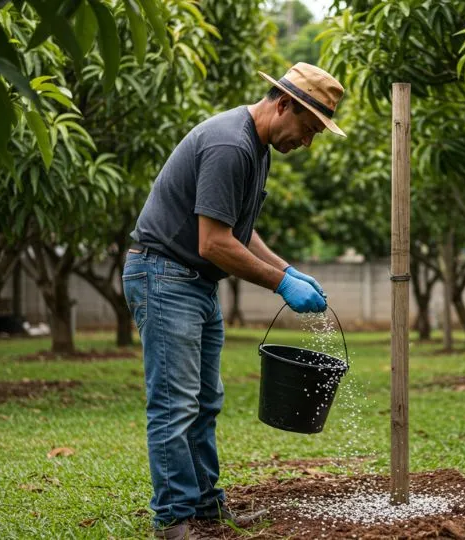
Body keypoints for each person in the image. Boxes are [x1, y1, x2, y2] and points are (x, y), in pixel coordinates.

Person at [121, 62, 346, 540]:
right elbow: (214, 243)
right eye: (307, 130)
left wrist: (286, 268)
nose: (306, 143)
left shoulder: (254, 147)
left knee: (205, 402)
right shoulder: (230, 145)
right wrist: (280, 285)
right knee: (175, 404)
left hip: (193, 283)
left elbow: (237, 228)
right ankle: (174, 521)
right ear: (283, 104)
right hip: (166, 276)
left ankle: (205, 507)